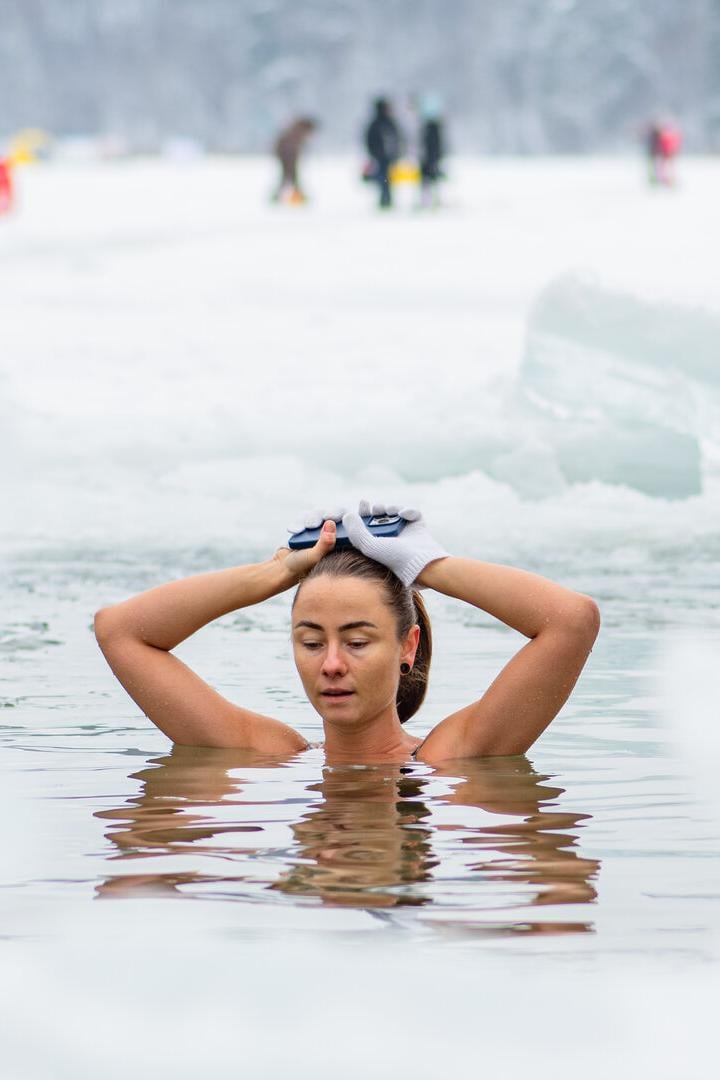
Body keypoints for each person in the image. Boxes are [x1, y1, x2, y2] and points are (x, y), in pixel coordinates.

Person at [94, 503, 600, 765]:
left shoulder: (450, 759)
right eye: (312, 642)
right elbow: (120, 630)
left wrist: (429, 566)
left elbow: (571, 620)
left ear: (408, 645)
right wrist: (271, 575)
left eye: (357, 642)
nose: (331, 665)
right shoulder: (266, 756)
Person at [364, 99, 402, 209]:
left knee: (386, 179)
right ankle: (385, 200)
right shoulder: (381, 123)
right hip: (381, 158)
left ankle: (386, 199)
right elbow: (370, 141)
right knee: (384, 179)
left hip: (387, 157)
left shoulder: (381, 123)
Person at [271, 117, 317, 204]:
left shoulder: (296, 130)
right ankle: (296, 196)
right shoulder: (296, 132)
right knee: (288, 177)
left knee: (288, 177)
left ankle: (295, 196)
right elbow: (289, 149)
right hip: (287, 157)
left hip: (288, 157)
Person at [418, 93, 445, 208]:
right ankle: (430, 201)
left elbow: (433, 144)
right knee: (430, 180)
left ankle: (430, 201)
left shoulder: (429, 127)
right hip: (429, 158)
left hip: (429, 158)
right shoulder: (432, 127)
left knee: (429, 181)